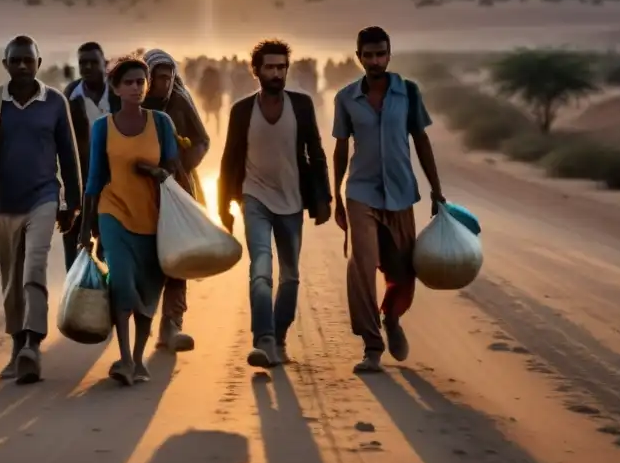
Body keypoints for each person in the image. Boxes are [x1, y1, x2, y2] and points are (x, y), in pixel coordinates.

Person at [0, 35, 82, 384]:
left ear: (38, 63)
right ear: (5, 65)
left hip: (44, 197)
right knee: (11, 279)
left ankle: (33, 342)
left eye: (28, 60)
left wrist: (72, 204)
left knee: (34, 268)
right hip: (2, 202)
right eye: (15, 60)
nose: (22, 66)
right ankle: (17, 348)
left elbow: (69, 157)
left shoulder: (55, 103)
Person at [331, 26, 446, 374]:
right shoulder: (346, 98)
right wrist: (336, 194)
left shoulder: (408, 92)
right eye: (368, 55)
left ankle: (391, 319)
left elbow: (421, 141)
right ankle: (371, 346)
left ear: (389, 54)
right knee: (361, 267)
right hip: (360, 192)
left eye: (380, 54)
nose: (375, 61)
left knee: (404, 272)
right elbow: (339, 148)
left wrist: (436, 190)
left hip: (400, 193)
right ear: (358, 57)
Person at [217, 39, 332, 369]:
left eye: (281, 67)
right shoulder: (242, 110)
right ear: (256, 71)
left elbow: (316, 152)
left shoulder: (302, 105)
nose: (276, 73)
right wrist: (224, 203)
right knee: (261, 270)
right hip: (254, 197)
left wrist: (323, 197)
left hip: (292, 200)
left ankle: (279, 337)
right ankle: (263, 339)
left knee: (291, 276)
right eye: (270, 67)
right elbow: (229, 158)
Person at [79, 56, 180, 386]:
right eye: (129, 83)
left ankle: (138, 359)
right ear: (116, 88)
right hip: (114, 212)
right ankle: (123, 357)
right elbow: (94, 179)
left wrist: (153, 172)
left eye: (141, 82)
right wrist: (85, 228)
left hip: (154, 218)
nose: (137, 88)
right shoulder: (102, 128)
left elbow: (173, 169)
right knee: (122, 281)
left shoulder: (161, 122)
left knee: (150, 289)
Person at [142, 48, 210, 353]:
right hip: (138, 190)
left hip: (177, 187)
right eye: (160, 77)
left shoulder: (180, 101)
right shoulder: (131, 100)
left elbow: (202, 140)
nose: (167, 83)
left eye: (170, 77)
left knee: (177, 259)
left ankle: (171, 325)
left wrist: (181, 168)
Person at [63, 42, 120, 271]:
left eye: (92, 62)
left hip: (114, 183)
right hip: (80, 181)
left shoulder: (118, 93)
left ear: (104, 64)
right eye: (82, 63)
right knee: (75, 250)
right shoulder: (70, 96)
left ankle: (114, 300)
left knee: (112, 251)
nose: (87, 67)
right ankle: (77, 298)